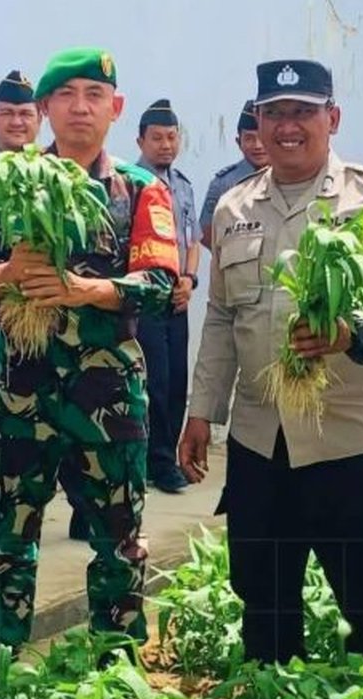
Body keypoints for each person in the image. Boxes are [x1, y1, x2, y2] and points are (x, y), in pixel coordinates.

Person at [179, 59, 363, 666]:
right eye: (275, 113)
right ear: (258, 122)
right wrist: (201, 411)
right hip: (260, 440)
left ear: (331, 118)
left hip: (347, 438)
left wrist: (348, 332)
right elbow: (221, 317)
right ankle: (273, 691)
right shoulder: (232, 206)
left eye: (303, 112)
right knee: (263, 594)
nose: (288, 126)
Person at [0, 46, 180, 685]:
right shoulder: (6, 183)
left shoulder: (139, 190)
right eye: (66, 95)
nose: (80, 108)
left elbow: (161, 283)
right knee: (6, 545)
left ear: (115, 108)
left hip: (106, 398)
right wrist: (7, 274)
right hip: (21, 397)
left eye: (95, 95)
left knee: (119, 545)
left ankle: (115, 680)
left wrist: (87, 290)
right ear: (44, 109)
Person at [135, 99, 199, 494]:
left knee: (176, 381)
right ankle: (156, 463)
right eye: (157, 138)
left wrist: (189, 279)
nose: (165, 145)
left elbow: (192, 240)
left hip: (178, 297)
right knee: (154, 381)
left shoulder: (183, 186)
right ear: (140, 141)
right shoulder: (130, 183)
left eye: (172, 137)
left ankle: (167, 455)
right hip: (146, 298)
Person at [198, 100, 269, 248]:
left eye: (263, 137)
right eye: (249, 139)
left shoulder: (290, 177)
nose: (258, 145)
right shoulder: (223, 183)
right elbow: (206, 231)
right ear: (238, 142)